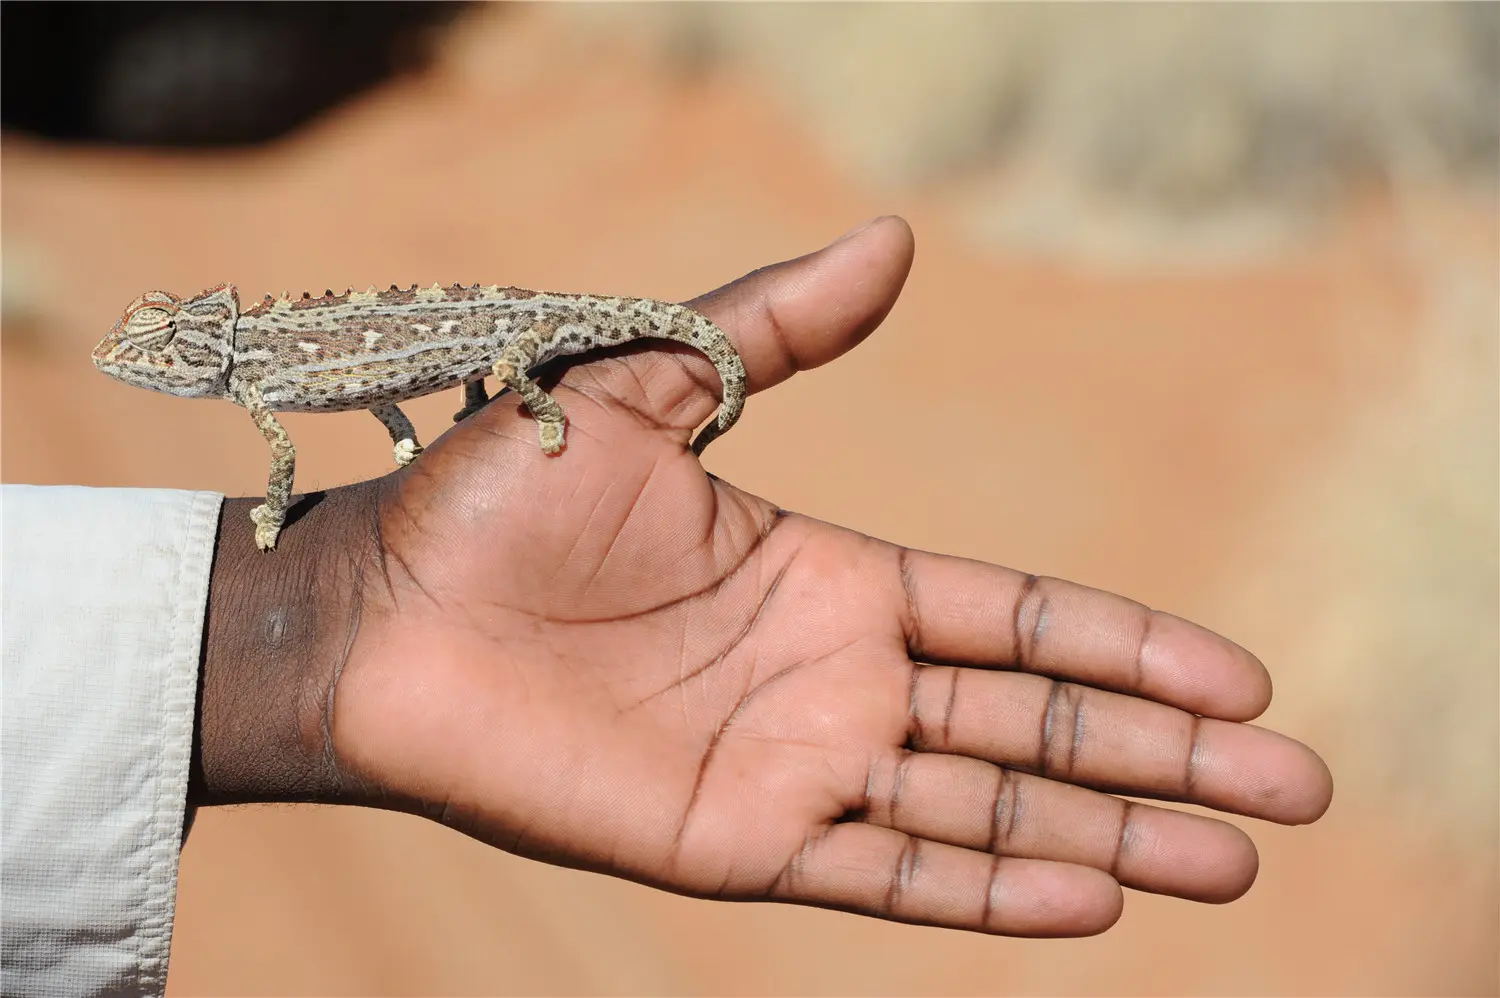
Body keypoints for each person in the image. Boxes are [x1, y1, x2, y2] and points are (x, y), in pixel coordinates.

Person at [1, 217, 1333, 996]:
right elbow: (382, 387)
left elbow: (297, 456)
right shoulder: (267, 362)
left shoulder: (262, 387)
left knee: (492, 367)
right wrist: (326, 589)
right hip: (466, 357)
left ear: (204, 355)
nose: (148, 365)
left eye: (164, 351)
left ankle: (508, 393)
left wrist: (330, 520)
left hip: (500, 346)